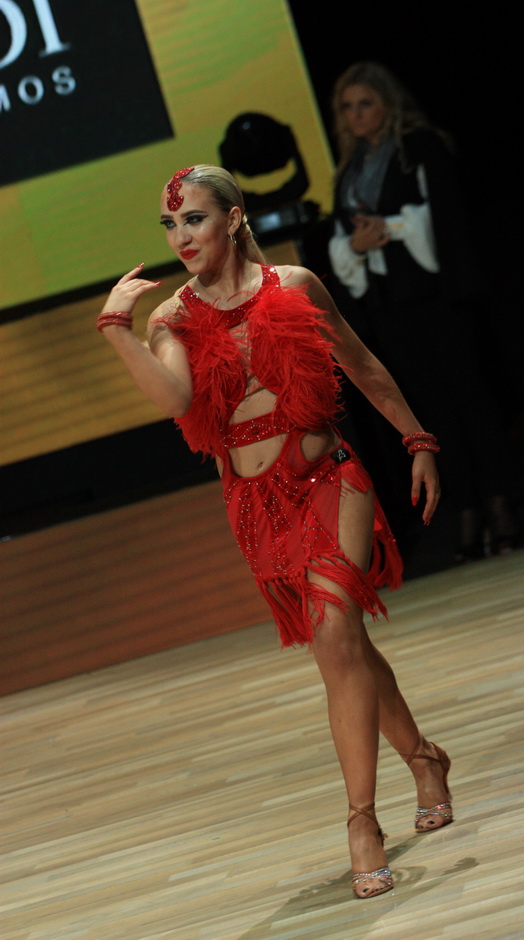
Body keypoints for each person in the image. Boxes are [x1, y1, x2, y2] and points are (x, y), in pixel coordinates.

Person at [97, 164, 453, 900]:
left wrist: (417, 440)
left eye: (194, 218)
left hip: (329, 479)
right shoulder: (172, 318)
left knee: (335, 634)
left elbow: (361, 365)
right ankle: (423, 757)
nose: (180, 236)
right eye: (169, 224)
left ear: (232, 218)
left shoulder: (294, 286)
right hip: (257, 504)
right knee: (345, 644)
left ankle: (361, 822)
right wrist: (117, 331)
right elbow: (175, 398)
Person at [328, 61, 517, 562]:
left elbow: (444, 219)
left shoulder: (420, 148)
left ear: (387, 103)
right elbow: (343, 238)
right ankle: (466, 508)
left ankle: (500, 503)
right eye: (347, 107)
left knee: (471, 398)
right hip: (390, 306)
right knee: (430, 411)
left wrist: (387, 230)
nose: (356, 115)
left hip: (438, 295)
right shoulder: (349, 170)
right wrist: (358, 244)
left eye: (365, 104)